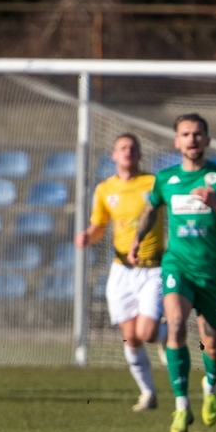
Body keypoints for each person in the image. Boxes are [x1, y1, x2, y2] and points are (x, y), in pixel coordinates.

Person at [129, 113, 216, 432]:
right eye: (186, 134)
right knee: (177, 327)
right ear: (177, 141)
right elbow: (150, 208)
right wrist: (138, 239)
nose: (192, 139)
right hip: (177, 267)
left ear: (207, 140)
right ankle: (181, 406)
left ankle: (210, 385)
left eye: (198, 134)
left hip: (212, 273)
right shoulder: (165, 178)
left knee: (212, 346)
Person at [75, 134, 166, 412]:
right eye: (122, 148)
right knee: (131, 335)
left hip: (153, 267)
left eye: (133, 148)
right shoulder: (105, 189)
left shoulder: (153, 183)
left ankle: (167, 334)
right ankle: (148, 393)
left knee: (147, 332)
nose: (128, 151)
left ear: (140, 154)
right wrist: (88, 236)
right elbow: (99, 225)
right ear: (113, 155)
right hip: (121, 271)